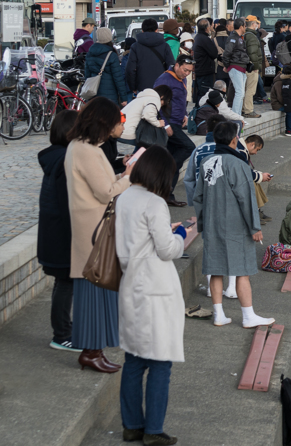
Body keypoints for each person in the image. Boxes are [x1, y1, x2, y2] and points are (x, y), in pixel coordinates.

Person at [115, 146, 187, 446]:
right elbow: (166, 249)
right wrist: (180, 235)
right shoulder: (155, 203)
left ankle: (132, 425)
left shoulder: (125, 197)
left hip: (130, 283)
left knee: (133, 361)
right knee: (160, 361)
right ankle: (153, 430)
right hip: (155, 287)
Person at [66, 97, 137, 372]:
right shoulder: (86, 150)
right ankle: (90, 351)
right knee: (95, 290)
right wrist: (130, 176)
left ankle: (94, 350)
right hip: (93, 229)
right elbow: (105, 192)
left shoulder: (82, 147)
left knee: (99, 289)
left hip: (93, 226)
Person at [193, 122, 274, 328]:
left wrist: (202, 224)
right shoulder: (239, 164)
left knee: (216, 269)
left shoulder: (206, 162)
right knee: (241, 271)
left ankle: (218, 314)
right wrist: (255, 227)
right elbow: (246, 197)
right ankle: (248, 316)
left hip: (212, 224)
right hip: (236, 225)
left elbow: (199, 197)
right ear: (234, 139)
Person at [36, 110, 79, 352]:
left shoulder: (57, 157)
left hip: (54, 233)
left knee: (63, 283)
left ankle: (63, 331)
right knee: (66, 283)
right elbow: (67, 205)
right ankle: (62, 335)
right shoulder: (65, 160)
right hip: (62, 234)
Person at [153, 56, 196, 207]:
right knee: (188, 147)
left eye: (190, 71)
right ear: (177, 65)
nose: (186, 74)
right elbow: (156, 103)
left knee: (175, 161)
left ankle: (167, 194)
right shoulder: (165, 79)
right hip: (169, 123)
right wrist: (165, 124)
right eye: (185, 70)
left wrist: (184, 113)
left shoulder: (182, 78)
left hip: (178, 120)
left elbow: (181, 99)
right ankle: (166, 169)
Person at [125, 19, 175, 93]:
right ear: (156, 30)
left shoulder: (135, 46)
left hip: (142, 87)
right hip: (161, 86)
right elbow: (171, 66)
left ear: (142, 30)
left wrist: (133, 87)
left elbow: (130, 70)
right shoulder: (165, 46)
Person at [84, 27, 129, 106]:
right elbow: (118, 78)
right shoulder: (111, 55)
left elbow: (87, 76)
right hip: (110, 96)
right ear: (109, 38)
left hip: (93, 94)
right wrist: (123, 98)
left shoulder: (90, 53)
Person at [221, 19, 252, 115]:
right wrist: (226, 65)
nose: (246, 28)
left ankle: (238, 115)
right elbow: (227, 53)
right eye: (245, 26)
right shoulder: (233, 38)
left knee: (241, 93)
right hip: (235, 67)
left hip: (241, 67)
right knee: (239, 92)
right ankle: (235, 116)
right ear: (241, 26)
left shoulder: (240, 38)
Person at [241, 18, 263, 118]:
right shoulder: (252, 36)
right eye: (257, 23)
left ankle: (243, 109)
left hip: (245, 66)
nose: (258, 25)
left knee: (245, 88)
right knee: (251, 89)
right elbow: (253, 53)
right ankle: (248, 110)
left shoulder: (245, 35)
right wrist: (256, 66)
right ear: (253, 24)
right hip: (252, 67)